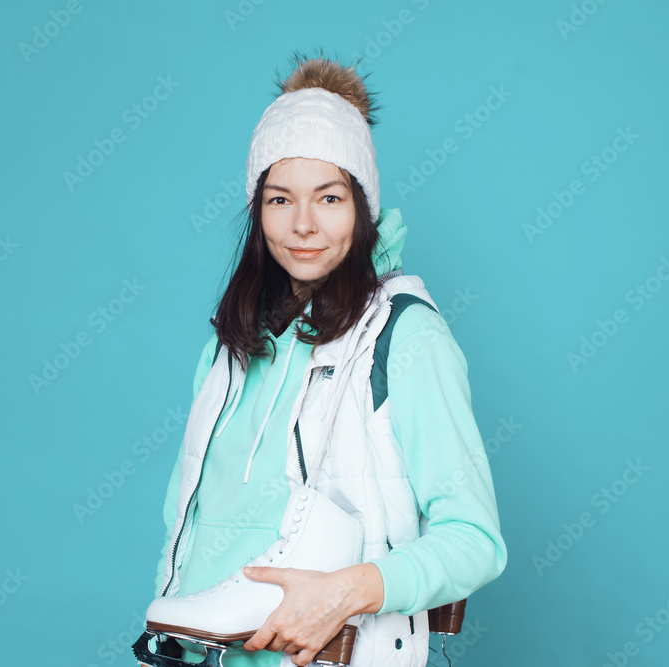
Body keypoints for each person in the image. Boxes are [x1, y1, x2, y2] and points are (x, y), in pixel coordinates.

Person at [149, 51, 507, 667]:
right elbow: (182, 529)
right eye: (280, 200)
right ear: (258, 210)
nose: (304, 225)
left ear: (362, 208)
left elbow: (475, 541)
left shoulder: (405, 337)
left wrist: (344, 593)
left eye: (330, 198)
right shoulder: (228, 347)